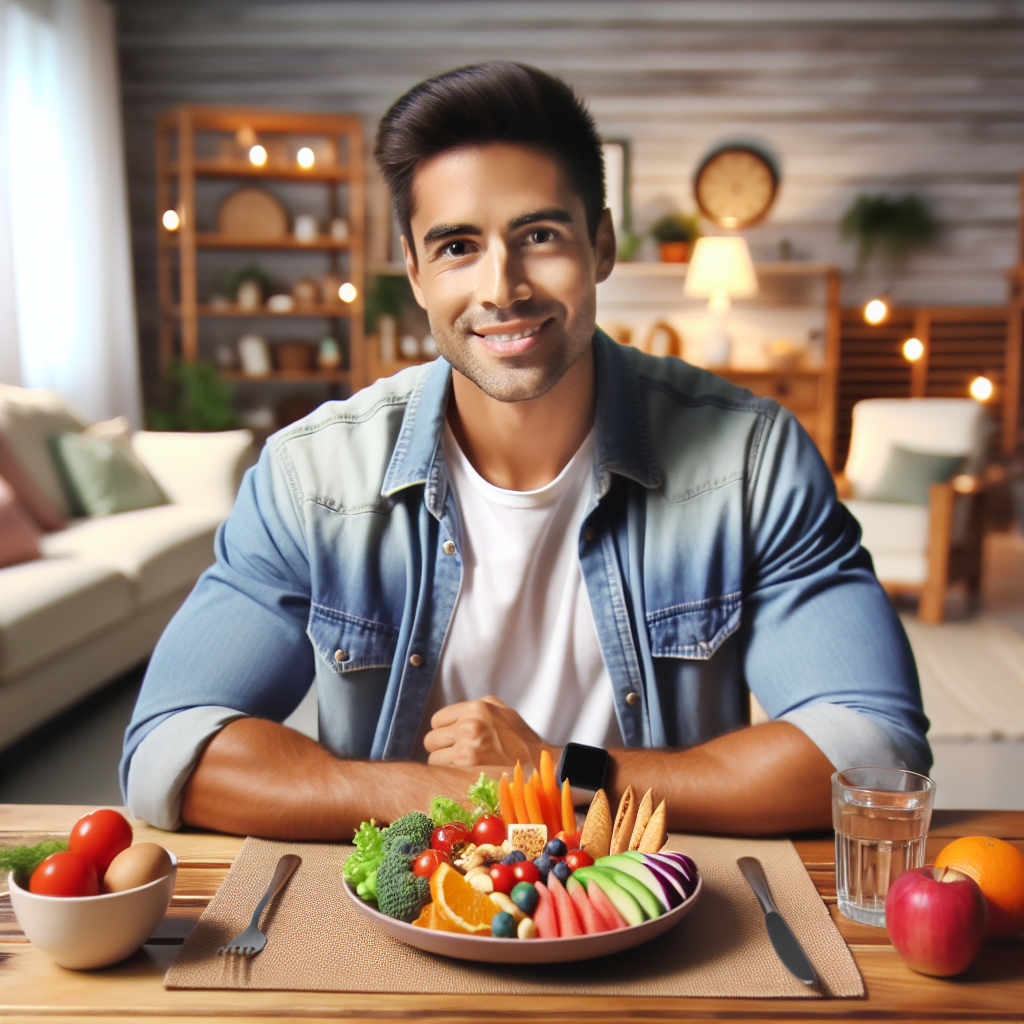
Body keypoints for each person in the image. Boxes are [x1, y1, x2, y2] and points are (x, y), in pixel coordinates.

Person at [120, 63, 929, 840]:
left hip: (658, 909)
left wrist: (563, 773)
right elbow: (171, 748)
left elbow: (870, 747)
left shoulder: (752, 460)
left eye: (538, 235)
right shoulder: (312, 476)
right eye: (456, 246)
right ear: (413, 269)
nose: (501, 287)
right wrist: (462, 798)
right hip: (411, 916)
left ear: (600, 244)